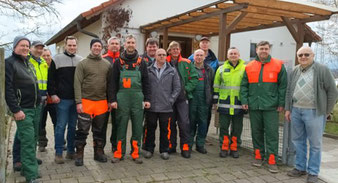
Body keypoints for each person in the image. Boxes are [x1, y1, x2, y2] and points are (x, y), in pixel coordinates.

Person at [285, 46, 338, 183]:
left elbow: (332, 91)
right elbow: (289, 91)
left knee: (315, 144)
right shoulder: (295, 71)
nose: (303, 57)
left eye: (306, 55)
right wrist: (288, 109)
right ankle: (300, 167)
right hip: (296, 110)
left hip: (314, 112)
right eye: (300, 55)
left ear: (313, 55)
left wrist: (327, 110)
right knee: (298, 141)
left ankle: (313, 172)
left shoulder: (322, 69)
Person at [240, 41, 287, 173]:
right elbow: (244, 86)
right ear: (256, 50)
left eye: (266, 49)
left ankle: (272, 160)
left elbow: (283, 86)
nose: (264, 51)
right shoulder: (249, 66)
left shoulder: (278, 65)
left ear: (269, 50)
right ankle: (258, 156)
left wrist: (281, 103)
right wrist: (245, 100)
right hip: (254, 105)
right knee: (256, 132)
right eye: (261, 49)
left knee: (272, 134)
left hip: (271, 106)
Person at [108, 34, 150, 164]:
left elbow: (146, 82)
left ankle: (135, 153)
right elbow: (112, 83)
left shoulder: (141, 62)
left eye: (132, 42)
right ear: (124, 45)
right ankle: (119, 153)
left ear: (135, 44)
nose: (130, 44)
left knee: (138, 127)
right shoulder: (118, 62)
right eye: (128, 42)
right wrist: (112, 100)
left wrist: (147, 99)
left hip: (138, 99)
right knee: (121, 126)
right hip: (122, 99)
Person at [5, 36, 41, 183]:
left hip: (35, 107)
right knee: (27, 141)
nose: (25, 48)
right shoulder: (9, 63)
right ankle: (31, 176)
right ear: (15, 47)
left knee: (32, 139)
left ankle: (27, 166)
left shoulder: (27, 62)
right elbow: (8, 89)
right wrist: (15, 109)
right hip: (23, 110)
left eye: (27, 46)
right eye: (22, 45)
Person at [73, 38, 111, 166]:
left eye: (99, 46)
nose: (97, 48)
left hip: (102, 102)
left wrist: (110, 102)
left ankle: (99, 153)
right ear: (91, 47)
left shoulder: (107, 64)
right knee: (82, 130)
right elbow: (77, 83)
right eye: (94, 46)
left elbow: (110, 84)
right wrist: (78, 102)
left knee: (99, 130)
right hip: (86, 101)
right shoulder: (82, 63)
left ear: (102, 48)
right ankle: (79, 154)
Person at [12, 41, 47, 171]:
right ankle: (17, 160)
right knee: (22, 134)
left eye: (41, 48)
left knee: (33, 133)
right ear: (31, 49)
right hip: (25, 103)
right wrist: (15, 107)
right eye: (36, 48)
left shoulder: (43, 62)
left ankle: (30, 157)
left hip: (39, 101)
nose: (39, 50)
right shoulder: (25, 61)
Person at [48, 36, 83, 164]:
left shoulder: (81, 60)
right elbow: (50, 79)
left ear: (76, 46)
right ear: (65, 45)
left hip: (76, 100)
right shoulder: (56, 59)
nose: (72, 47)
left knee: (73, 127)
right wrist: (52, 94)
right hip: (62, 99)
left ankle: (70, 151)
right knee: (61, 126)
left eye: (74, 45)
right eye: (70, 45)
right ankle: (58, 153)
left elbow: (83, 80)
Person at [142, 49, 181, 160]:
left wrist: (171, 100)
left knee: (165, 129)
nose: (162, 56)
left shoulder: (172, 71)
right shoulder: (148, 70)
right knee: (150, 129)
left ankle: (164, 150)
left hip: (166, 107)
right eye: (159, 55)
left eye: (164, 55)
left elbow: (177, 88)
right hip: (151, 106)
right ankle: (149, 149)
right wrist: (146, 100)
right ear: (155, 56)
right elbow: (144, 86)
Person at [166, 41, 198, 158]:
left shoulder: (187, 63)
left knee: (184, 123)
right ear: (169, 50)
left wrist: (186, 89)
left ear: (180, 50)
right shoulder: (164, 62)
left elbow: (194, 78)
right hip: (169, 99)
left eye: (177, 49)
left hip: (182, 98)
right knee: (170, 123)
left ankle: (185, 147)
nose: (175, 51)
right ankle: (171, 146)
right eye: (173, 49)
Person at [213, 47, 246, 158]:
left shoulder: (245, 69)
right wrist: (215, 101)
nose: (233, 55)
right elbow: (216, 86)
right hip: (224, 103)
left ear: (239, 55)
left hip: (239, 104)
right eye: (231, 53)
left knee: (237, 128)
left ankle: (234, 148)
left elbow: (247, 87)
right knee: (223, 127)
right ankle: (224, 147)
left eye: (235, 53)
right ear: (227, 56)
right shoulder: (221, 69)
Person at [189, 49, 214, 154]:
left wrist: (212, 100)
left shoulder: (209, 69)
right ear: (193, 57)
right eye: (197, 55)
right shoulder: (189, 68)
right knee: (191, 123)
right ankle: (188, 145)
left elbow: (212, 85)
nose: (199, 57)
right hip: (192, 100)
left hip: (204, 101)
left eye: (201, 55)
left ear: (204, 57)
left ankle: (200, 145)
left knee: (203, 124)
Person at [102, 36, 121, 152]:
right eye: (112, 43)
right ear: (108, 46)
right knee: (102, 124)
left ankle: (115, 145)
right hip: (104, 98)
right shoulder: (103, 59)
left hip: (118, 97)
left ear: (120, 46)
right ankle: (100, 147)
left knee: (117, 123)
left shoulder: (123, 60)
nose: (114, 45)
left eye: (116, 44)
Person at [39, 48, 58, 152]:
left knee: (57, 122)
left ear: (51, 56)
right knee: (41, 123)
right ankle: (42, 143)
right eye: (44, 56)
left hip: (54, 101)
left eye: (48, 55)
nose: (46, 57)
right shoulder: (40, 67)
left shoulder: (55, 67)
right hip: (42, 101)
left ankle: (60, 142)